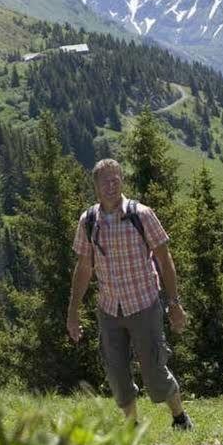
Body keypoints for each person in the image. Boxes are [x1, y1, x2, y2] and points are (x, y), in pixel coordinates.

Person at [66, 158, 191, 429]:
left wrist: (174, 303)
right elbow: (84, 267)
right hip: (109, 309)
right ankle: (133, 427)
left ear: (122, 181)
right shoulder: (88, 221)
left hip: (144, 304)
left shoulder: (141, 215)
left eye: (116, 179)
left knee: (155, 370)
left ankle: (180, 417)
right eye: (105, 181)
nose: (111, 186)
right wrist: (73, 312)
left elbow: (164, 259)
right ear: (96, 187)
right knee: (117, 373)